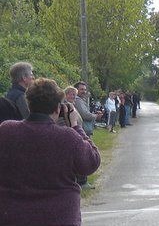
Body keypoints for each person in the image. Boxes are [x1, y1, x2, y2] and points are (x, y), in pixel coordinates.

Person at [0, 78, 100, 225]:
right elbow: (91, 162)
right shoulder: (68, 137)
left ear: (28, 105)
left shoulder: (7, 130)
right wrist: (75, 126)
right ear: (57, 108)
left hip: (13, 216)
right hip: (59, 217)